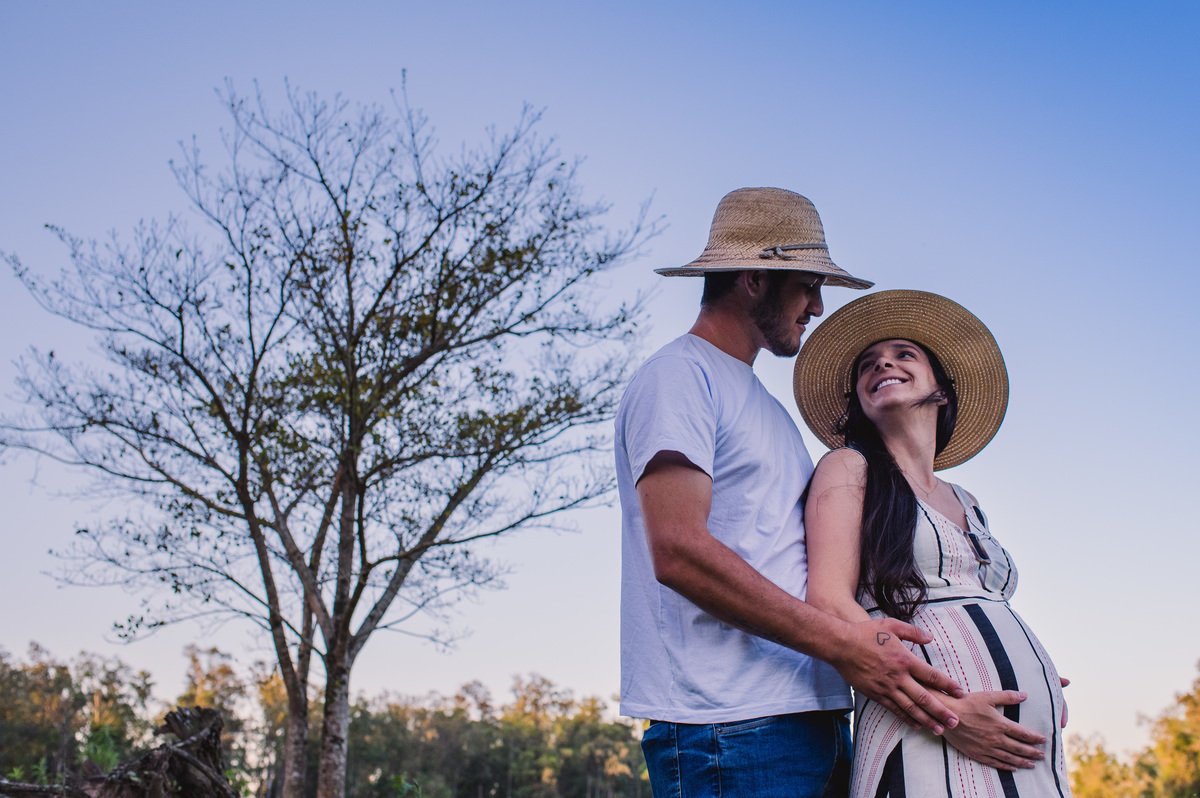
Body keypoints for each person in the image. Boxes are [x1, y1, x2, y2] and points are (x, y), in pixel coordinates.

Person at [616, 189, 967, 798]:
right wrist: (844, 644)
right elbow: (676, 550)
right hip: (730, 726)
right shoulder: (679, 375)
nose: (817, 304)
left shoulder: (769, 411)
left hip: (816, 718)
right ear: (754, 279)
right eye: (807, 284)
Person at [795, 289, 1071, 797]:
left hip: (1022, 745)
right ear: (858, 399)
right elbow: (829, 601)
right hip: (926, 729)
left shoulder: (968, 499)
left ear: (941, 390)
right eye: (868, 366)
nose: (883, 365)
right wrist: (945, 713)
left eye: (904, 355)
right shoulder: (849, 469)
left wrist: (1037, 679)